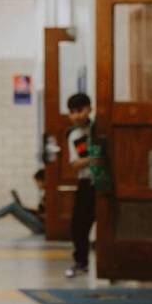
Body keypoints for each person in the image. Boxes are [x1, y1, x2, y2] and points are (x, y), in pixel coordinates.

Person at [64, 93, 95, 278]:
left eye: (80, 110)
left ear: (89, 109)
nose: (76, 116)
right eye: (72, 112)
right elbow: (74, 163)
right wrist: (93, 159)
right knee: (78, 225)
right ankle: (81, 262)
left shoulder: (98, 127)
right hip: (85, 182)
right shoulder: (73, 135)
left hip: (104, 182)